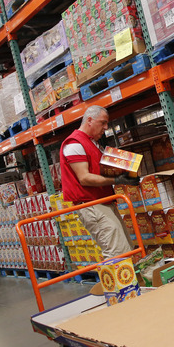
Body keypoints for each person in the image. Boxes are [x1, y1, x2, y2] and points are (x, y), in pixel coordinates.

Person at [60, 105, 138, 259]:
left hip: (103, 202)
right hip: (92, 205)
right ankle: (119, 283)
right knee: (116, 250)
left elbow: (101, 169)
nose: (106, 127)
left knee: (126, 246)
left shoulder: (93, 143)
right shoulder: (74, 143)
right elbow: (84, 178)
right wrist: (116, 179)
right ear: (89, 120)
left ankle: (130, 282)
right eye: (102, 123)